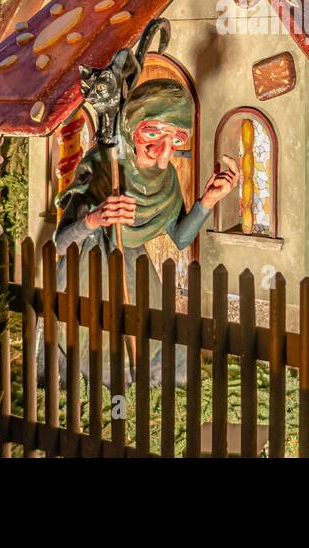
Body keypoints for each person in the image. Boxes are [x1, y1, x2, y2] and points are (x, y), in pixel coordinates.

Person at [51, 78, 237, 386]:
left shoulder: (167, 180)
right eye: (152, 135)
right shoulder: (101, 165)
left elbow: (180, 237)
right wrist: (95, 220)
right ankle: (91, 389)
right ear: (132, 128)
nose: (163, 154)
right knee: (92, 344)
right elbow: (60, 243)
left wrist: (209, 201)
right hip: (88, 267)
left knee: (154, 338)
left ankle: (143, 387)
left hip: (132, 264)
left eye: (175, 140)